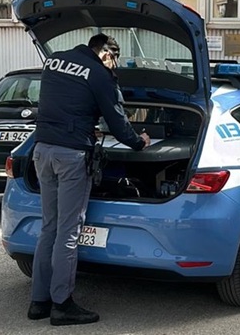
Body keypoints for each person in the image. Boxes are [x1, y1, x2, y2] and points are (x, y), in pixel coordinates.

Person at [28, 33, 150, 326]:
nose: (115, 63)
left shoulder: (54, 60)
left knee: (49, 228)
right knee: (69, 231)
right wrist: (139, 141)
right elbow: (118, 123)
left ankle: (39, 302)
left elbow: (64, 103)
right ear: (105, 52)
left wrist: (84, 123)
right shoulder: (99, 73)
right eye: (114, 57)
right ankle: (62, 305)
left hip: (42, 150)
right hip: (71, 157)